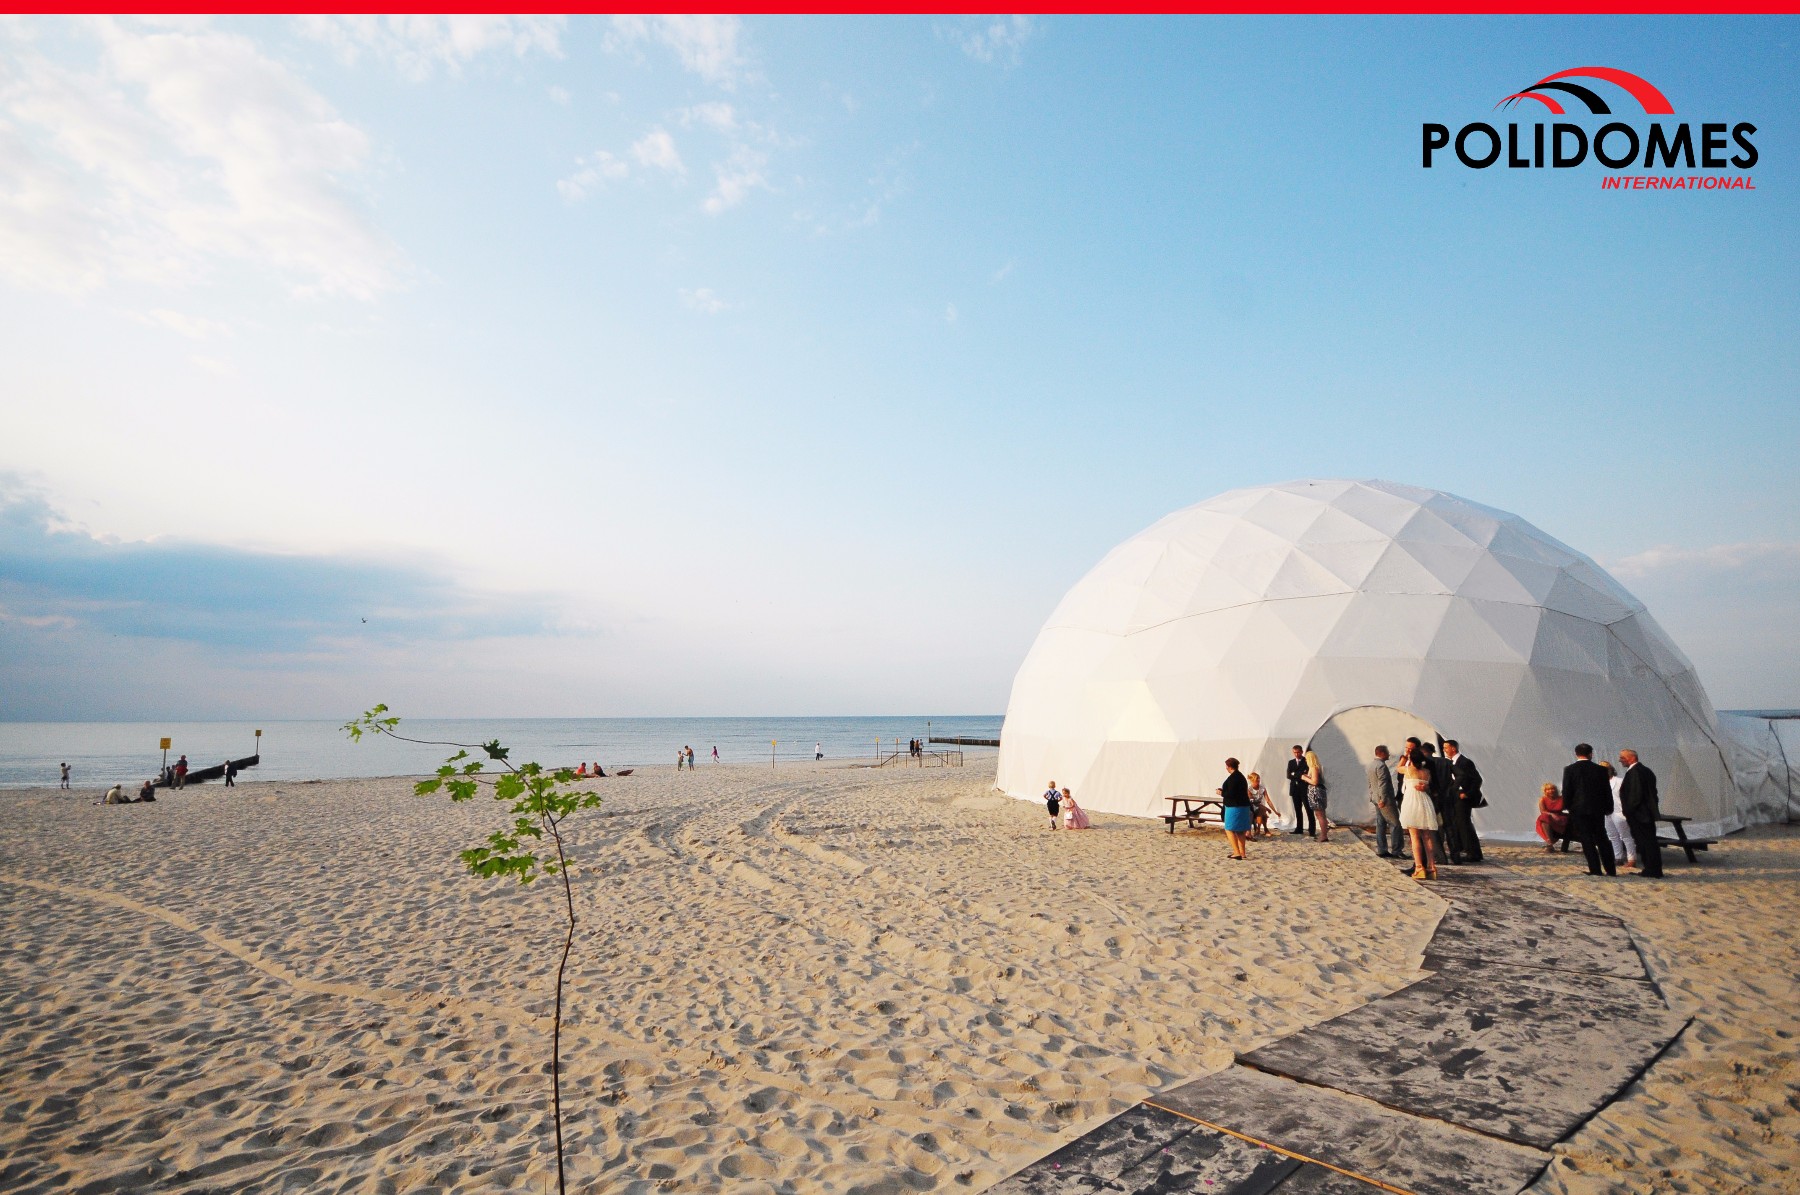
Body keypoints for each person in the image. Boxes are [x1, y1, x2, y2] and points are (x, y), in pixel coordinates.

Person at [1561, 743, 1617, 877]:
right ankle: (1611, 869)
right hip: (1598, 809)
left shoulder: (1570, 770)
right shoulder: (1601, 770)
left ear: (1576, 754)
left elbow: (1567, 791)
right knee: (1602, 838)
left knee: (1587, 840)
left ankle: (1595, 869)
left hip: (1579, 809)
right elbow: (1606, 791)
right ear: (1591, 754)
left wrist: (1568, 806)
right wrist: (1609, 807)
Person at [1396, 742, 1441, 880]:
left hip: (1412, 802)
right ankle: (1432, 867)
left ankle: (1419, 867)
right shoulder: (1427, 772)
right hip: (1424, 801)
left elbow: (1398, 768)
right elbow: (1430, 785)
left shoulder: (1409, 770)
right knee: (1427, 836)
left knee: (1414, 836)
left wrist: (1404, 757)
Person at [1618, 749, 1663, 878]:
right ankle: (1652, 869)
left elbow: (1635, 795)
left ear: (1631, 758)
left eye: (1622, 757)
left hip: (1640, 815)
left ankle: (1651, 870)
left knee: (1646, 843)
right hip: (1645, 814)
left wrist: (1628, 811)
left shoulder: (1636, 772)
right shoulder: (1645, 771)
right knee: (1649, 842)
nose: (1620, 760)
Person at [1443, 740, 1484, 863]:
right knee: (1457, 823)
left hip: (1463, 796)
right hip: (1454, 796)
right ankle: (1463, 848)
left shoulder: (1465, 762)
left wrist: (1467, 793)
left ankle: (1473, 852)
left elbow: (1477, 779)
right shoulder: (1450, 762)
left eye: (1446, 747)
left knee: (1464, 824)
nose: (1444, 750)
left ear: (1453, 748)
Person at [1367, 745, 1403, 859]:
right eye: (1387, 752)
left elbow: (1370, 783)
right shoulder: (1381, 766)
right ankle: (1397, 850)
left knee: (1381, 824)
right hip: (1384, 800)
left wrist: (1374, 797)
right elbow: (1382, 784)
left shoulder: (1371, 765)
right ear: (1382, 753)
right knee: (1395, 823)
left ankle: (1382, 849)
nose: (1389, 754)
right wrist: (1382, 799)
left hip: (1375, 798)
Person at [1600, 761, 1637, 870]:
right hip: (1607, 813)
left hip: (1619, 811)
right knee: (1612, 835)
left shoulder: (1620, 781)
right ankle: (1618, 857)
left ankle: (1632, 859)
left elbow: (1629, 796)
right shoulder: (1599, 783)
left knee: (1625, 836)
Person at [1219, 758, 1252, 860]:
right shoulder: (1241, 777)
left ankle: (1237, 852)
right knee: (1240, 831)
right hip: (1244, 806)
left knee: (1229, 829)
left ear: (1229, 767)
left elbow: (1231, 793)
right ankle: (1242, 852)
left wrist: (1221, 793)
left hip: (1234, 807)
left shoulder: (1233, 778)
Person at [1285, 745, 1313, 836]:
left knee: (1308, 809)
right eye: (1295, 752)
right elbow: (1289, 775)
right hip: (1295, 789)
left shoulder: (1306, 761)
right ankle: (1299, 828)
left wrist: (1295, 774)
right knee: (1297, 809)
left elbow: (1306, 773)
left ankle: (1312, 829)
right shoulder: (1291, 762)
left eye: (1298, 752)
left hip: (1304, 788)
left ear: (1301, 752)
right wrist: (1300, 774)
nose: (1296, 754)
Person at [1303, 748, 1329, 842]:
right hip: (1318, 791)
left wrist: (1305, 778)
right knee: (1321, 814)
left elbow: (1314, 782)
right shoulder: (1316, 767)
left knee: (1320, 815)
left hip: (1316, 792)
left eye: (1306, 759)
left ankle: (1323, 836)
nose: (1305, 760)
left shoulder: (1314, 767)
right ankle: (1324, 834)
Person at [1535, 783, 1571, 850]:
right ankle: (1549, 843)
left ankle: (1552, 843)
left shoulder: (1561, 798)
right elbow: (1543, 811)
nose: (1551, 790)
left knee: (1568, 819)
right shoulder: (1543, 799)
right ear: (1545, 791)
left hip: (1559, 817)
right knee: (1543, 817)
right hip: (1548, 816)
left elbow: (1568, 807)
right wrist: (1552, 814)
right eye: (1548, 789)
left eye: (1552, 788)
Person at [1247, 771, 1275, 838]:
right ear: (1252, 781)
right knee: (1262, 809)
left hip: (1259, 807)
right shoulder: (1249, 789)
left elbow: (1268, 800)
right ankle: (1263, 829)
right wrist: (1267, 808)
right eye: (1256, 781)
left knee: (1262, 810)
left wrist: (1275, 811)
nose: (1258, 782)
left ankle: (1259, 829)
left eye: (1259, 780)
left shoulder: (1262, 788)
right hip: (1251, 807)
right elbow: (1252, 801)